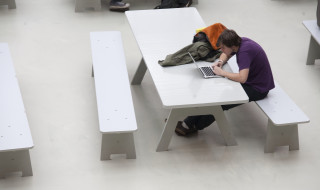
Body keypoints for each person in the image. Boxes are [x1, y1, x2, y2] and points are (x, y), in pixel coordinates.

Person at [175, 29, 275, 136]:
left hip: (258, 88)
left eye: (223, 47)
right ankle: (189, 123)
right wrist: (220, 62)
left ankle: (193, 125)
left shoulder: (244, 52)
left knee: (221, 102)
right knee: (218, 95)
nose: (221, 50)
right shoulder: (239, 43)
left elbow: (242, 78)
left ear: (232, 46)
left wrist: (222, 72)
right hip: (253, 81)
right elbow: (226, 54)